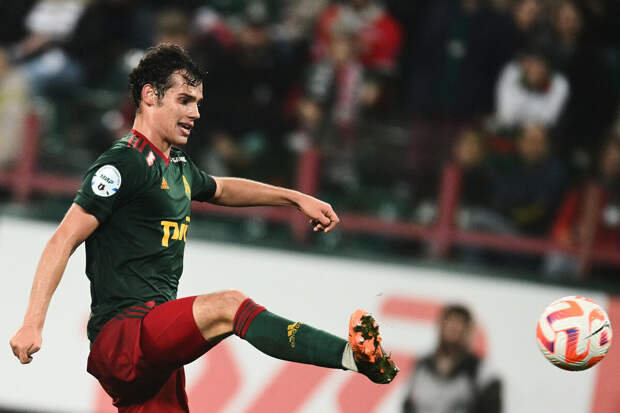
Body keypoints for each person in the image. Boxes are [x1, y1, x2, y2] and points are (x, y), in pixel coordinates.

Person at [9, 43, 398, 412]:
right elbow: (63, 239)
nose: (195, 113)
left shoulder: (178, 166)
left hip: (155, 348)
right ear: (150, 96)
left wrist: (294, 198)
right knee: (229, 306)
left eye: (197, 102)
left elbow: (223, 189)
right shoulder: (122, 165)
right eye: (184, 100)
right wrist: (32, 323)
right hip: (125, 337)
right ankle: (352, 355)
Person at [402, 304, 501, 413]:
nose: (453, 328)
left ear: (468, 332)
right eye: (450, 323)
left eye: (459, 325)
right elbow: (408, 405)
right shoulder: (422, 366)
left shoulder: (482, 372)